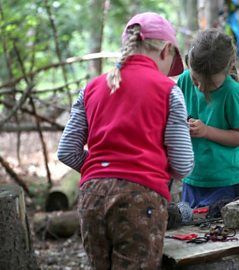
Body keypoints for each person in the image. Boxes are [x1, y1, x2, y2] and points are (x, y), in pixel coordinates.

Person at [57, 12, 193, 269]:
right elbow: (183, 163)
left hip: (91, 199)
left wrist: (102, 170)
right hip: (140, 200)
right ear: (166, 50)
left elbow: (67, 151)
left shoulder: (90, 88)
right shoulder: (168, 91)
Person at [177, 29, 239, 208]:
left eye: (210, 83)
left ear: (230, 67)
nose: (201, 88)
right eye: (196, 80)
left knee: (220, 232)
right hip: (192, 177)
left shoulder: (232, 92)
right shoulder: (185, 80)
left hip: (224, 181)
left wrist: (206, 131)